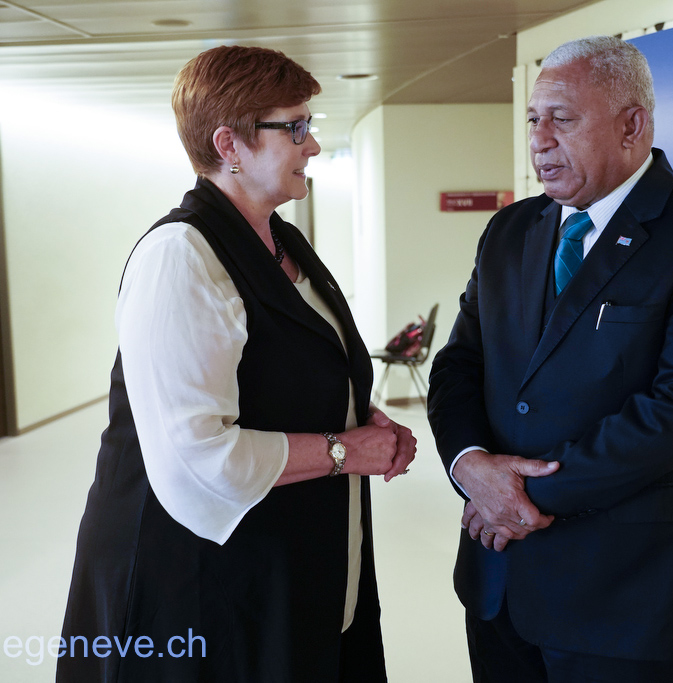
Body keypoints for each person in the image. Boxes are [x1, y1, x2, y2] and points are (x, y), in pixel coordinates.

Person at [58, 45, 415, 683]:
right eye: (296, 127)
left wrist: (365, 419)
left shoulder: (281, 238)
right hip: (196, 581)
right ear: (230, 143)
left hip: (288, 560)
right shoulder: (181, 256)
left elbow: (295, 368)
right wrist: (345, 449)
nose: (312, 145)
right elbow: (201, 453)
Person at [428, 35, 673, 683]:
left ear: (632, 124)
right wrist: (470, 466)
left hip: (627, 598)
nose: (539, 139)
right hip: (498, 584)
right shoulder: (509, 230)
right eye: (533, 118)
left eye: (563, 117)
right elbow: (460, 364)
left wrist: (515, 495)